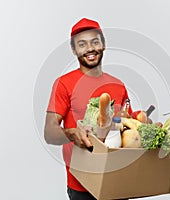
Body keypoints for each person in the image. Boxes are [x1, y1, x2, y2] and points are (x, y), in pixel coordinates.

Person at [44, 18, 132, 200]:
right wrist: (71, 133)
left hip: (118, 181)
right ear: (74, 50)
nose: (90, 49)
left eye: (95, 42)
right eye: (82, 44)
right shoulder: (64, 84)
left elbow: (127, 131)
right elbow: (49, 132)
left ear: (103, 44)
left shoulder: (118, 85)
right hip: (82, 185)